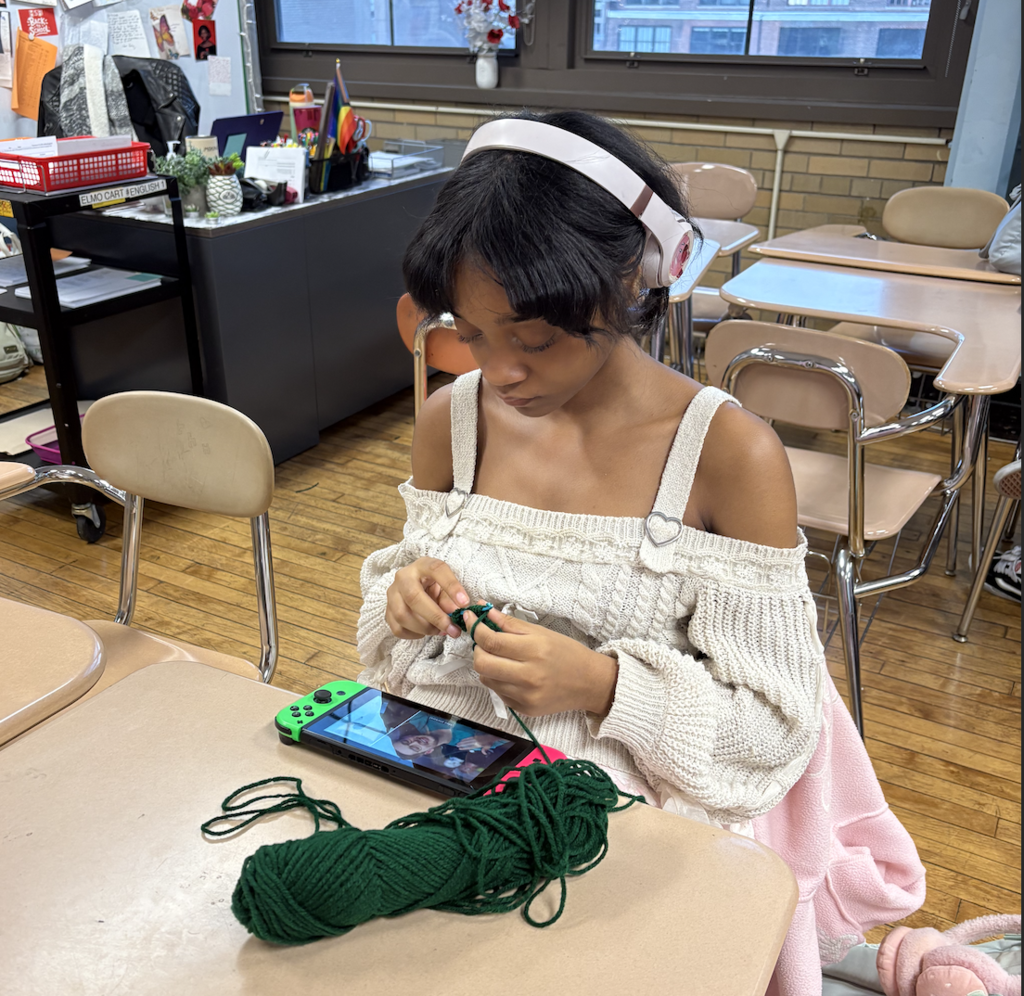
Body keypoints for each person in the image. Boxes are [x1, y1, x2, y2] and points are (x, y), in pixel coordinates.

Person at [356, 110, 924, 994]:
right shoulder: (452, 422)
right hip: (438, 777)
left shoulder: (727, 455)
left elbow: (776, 728)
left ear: (633, 278)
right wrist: (403, 598)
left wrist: (601, 686)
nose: (499, 371)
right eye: (472, 332)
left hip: (617, 838)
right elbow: (389, 643)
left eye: (534, 337)